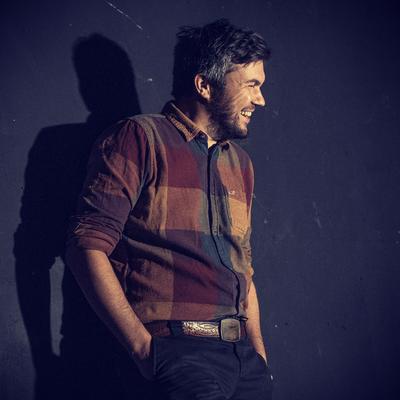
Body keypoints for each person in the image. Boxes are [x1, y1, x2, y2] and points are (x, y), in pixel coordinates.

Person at [66, 18, 273, 400]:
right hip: (177, 353)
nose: (260, 100)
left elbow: (243, 267)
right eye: (251, 85)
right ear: (204, 85)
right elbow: (87, 247)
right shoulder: (138, 138)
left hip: (243, 362)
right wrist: (143, 349)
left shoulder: (240, 164)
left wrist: (258, 355)